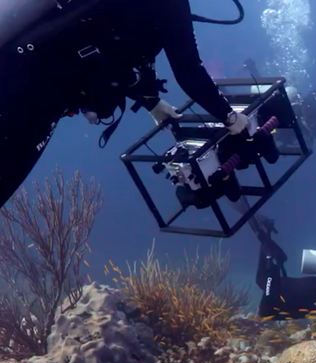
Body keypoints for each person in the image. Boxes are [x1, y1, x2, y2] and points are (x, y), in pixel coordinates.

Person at [0, 0, 251, 209]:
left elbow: (113, 40)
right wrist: (230, 117)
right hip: (33, 84)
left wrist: (151, 102)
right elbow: (189, 72)